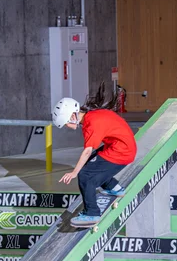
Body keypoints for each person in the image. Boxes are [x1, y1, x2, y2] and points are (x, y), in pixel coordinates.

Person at [52, 84, 137, 227]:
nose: (67, 126)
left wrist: (74, 172)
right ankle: (114, 188)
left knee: (85, 175)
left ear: (73, 116)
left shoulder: (91, 123)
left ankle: (91, 213)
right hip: (122, 146)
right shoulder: (92, 116)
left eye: (66, 123)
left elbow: (87, 151)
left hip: (121, 152)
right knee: (92, 164)